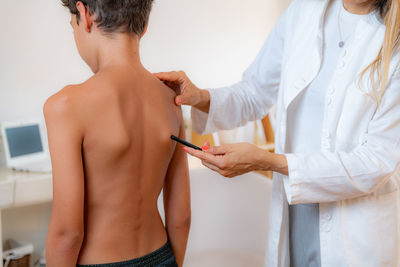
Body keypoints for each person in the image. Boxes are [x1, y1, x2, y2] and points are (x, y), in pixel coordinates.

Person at [155, 0, 400, 266]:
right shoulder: (304, 11)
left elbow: (376, 162)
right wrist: (200, 97)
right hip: (295, 214)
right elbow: (254, 93)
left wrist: (269, 162)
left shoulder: (393, 41)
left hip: (355, 234)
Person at [44, 1, 191, 266]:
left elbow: (68, 234)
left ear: (85, 15)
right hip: (162, 255)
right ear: (143, 26)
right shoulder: (172, 99)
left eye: (72, 25)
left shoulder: (66, 105)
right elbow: (181, 216)